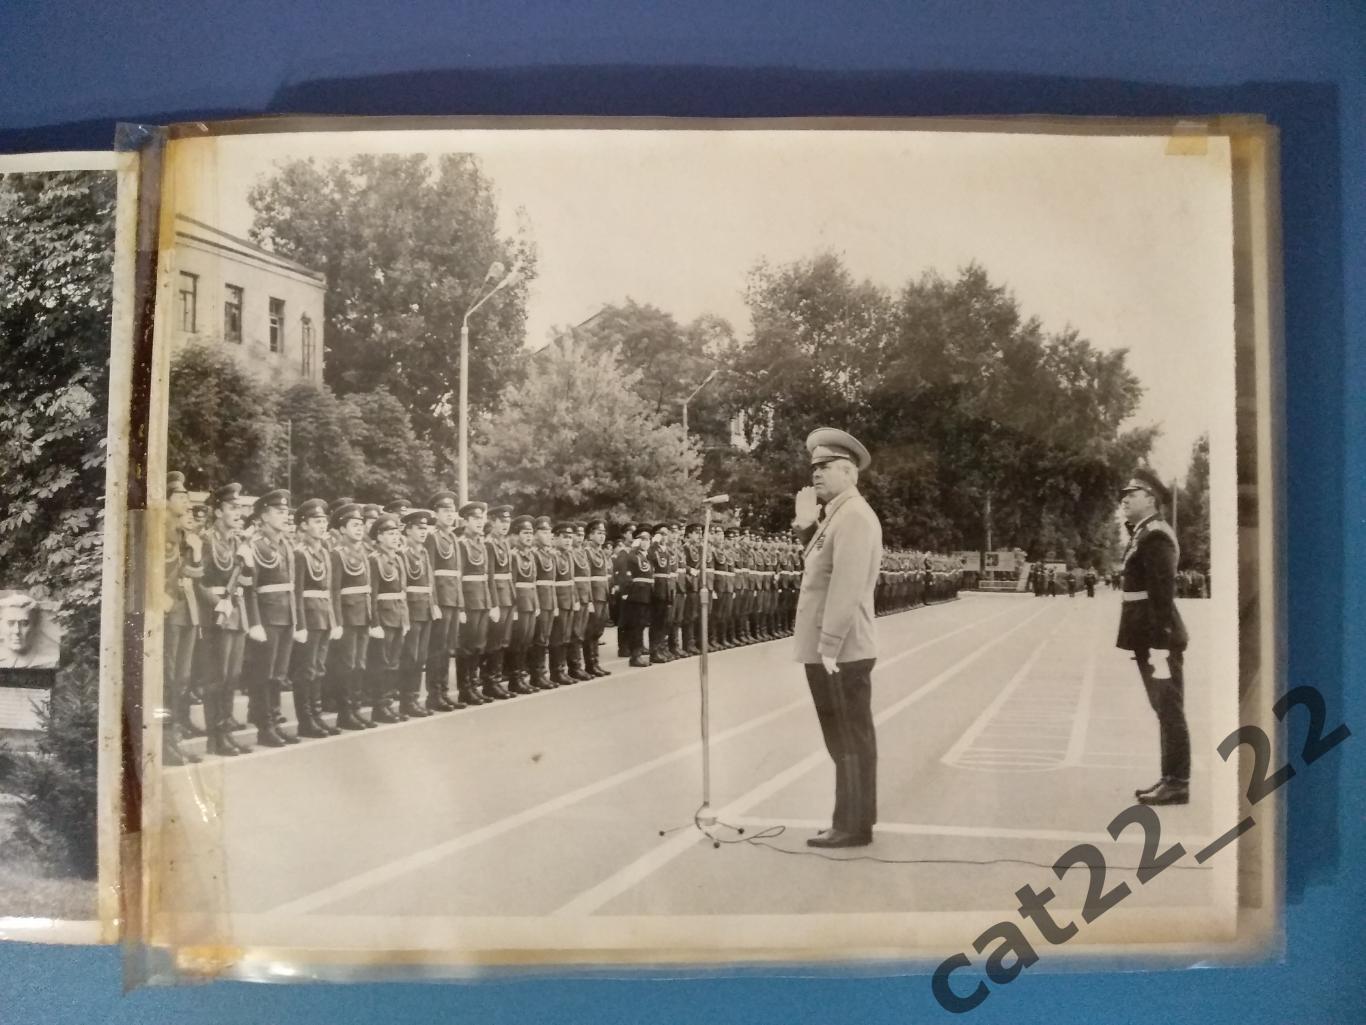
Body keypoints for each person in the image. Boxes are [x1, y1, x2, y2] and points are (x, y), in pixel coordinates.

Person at [792, 427, 883, 849]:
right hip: (833, 648)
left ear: (849, 472)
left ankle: (852, 824)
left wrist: (828, 645)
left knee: (848, 736)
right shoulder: (838, 514)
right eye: (813, 467)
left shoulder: (855, 516)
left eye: (825, 467)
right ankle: (852, 818)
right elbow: (820, 570)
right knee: (842, 736)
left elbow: (845, 587)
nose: (816, 474)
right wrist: (805, 526)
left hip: (841, 649)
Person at [1118, 468, 1191, 806]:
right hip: (1148, 635)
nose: (1124, 500)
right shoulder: (1143, 533)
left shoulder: (1155, 536)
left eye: (1131, 495)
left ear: (1150, 499)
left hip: (1157, 637)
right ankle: (1169, 777)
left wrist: (1160, 644)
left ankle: (1177, 782)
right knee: (1163, 708)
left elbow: (1161, 593)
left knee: (1169, 708)